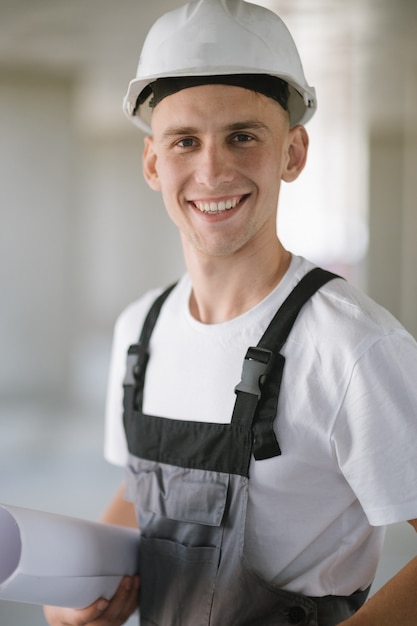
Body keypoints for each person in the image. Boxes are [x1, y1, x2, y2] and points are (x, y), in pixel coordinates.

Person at [44, 0, 417, 624]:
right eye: (184, 141)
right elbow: (139, 494)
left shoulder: (353, 346)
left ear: (293, 153)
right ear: (153, 163)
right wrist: (74, 602)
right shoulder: (141, 329)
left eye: (242, 136)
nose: (212, 170)